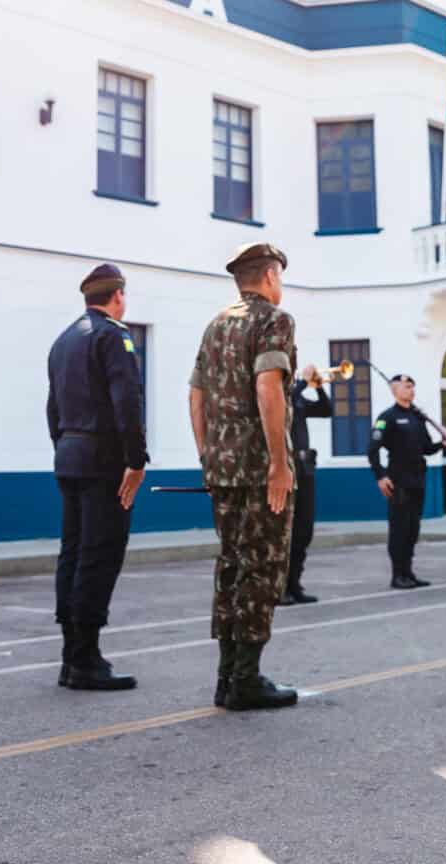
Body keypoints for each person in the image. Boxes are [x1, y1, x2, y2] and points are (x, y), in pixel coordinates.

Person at [187, 242, 299, 711]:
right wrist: (278, 463)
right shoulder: (274, 320)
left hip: (223, 466)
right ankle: (246, 680)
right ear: (271, 276)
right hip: (258, 468)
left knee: (231, 565)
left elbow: (195, 396)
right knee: (263, 568)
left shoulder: (216, 325)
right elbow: (268, 385)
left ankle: (226, 676)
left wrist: (208, 456)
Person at [46, 263, 148, 692]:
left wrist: (64, 448)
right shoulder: (114, 335)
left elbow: (53, 408)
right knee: (100, 554)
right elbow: (126, 398)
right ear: (118, 296)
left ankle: (72, 656)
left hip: (69, 455)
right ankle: (86, 658)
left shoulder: (64, 339)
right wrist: (135, 458)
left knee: (72, 554)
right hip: (104, 459)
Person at [370, 374, 446, 588]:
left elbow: (426, 448)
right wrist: (381, 476)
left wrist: (443, 444)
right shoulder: (387, 417)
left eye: (412, 387)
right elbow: (372, 450)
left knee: (412, 529)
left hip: (418, 478)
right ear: (395, 390)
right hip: (398, 480)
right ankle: (397, 575)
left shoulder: (418, 417)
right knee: (399, 528)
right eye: (407, 386)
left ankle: (408, 572)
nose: (411, 390)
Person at [280, 364, 333, 606]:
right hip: (286, 469)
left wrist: (319, 387)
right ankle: (281, 588)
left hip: (305, 468)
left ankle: (295, 585)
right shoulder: (280, 397)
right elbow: (289, 395)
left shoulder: (298, 401)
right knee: (286, 533)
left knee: (304, 530)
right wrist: (304, 381)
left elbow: (326, 410)